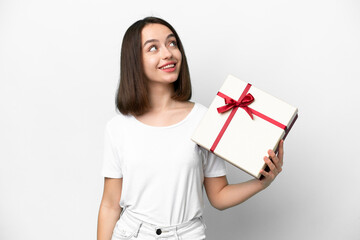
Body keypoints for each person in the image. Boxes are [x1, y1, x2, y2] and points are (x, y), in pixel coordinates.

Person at [97, 16, 284, 240]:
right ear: (134, 61)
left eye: (172, 43)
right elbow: (109, 205)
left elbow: (218, 196)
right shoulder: (118, 127)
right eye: (153, 48)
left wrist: (262, 183)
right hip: (132, 234)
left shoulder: (204, 119)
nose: (168, 53)